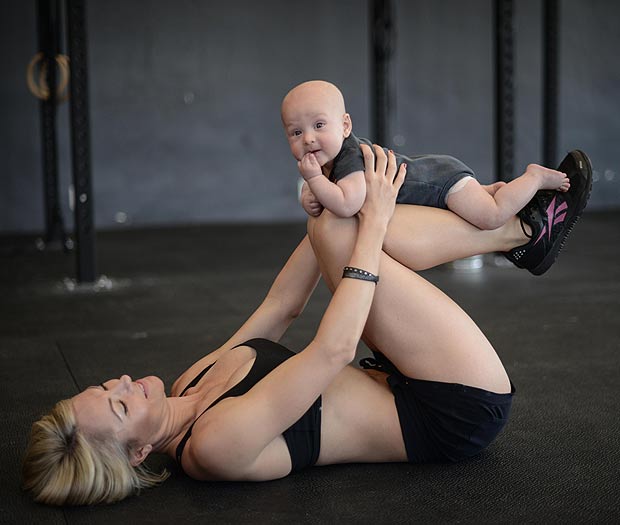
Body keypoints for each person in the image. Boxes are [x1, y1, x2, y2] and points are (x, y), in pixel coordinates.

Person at [22, 144, 592, 506]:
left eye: (103, 386)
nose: (121, 383)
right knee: (358, 230)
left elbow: (280, 308)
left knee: (339, 226)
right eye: (120, 406)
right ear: (139, 453)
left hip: (400, 375)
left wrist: (328, 210)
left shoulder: (189, 383)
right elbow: (332, 349)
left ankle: (516, 232)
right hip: (456, 410)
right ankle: (516, 232)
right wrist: (371, 223)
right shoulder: (212, 447)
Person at [281, 80, 576, 235]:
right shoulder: (331, 162)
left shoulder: (350, 158)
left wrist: (314, 181)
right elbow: (331, 195)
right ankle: (494, 190)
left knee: (492, 216)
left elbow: (347, 204)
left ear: (345, 126)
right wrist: (309, 193)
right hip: (433, 177)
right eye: (296, 132)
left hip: (442, 184)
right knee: (484, 200)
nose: (308, 138)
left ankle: (533, 177)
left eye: (319, 126)